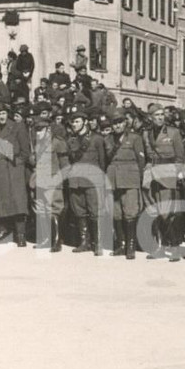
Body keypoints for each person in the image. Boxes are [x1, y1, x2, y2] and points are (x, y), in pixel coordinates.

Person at [142, 103, 185, 259]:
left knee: (167, 213)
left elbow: (180, 156)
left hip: (167, 174)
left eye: (162, 115)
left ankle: (174, 247)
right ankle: (159, 247)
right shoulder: (146, 134)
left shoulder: (173, 133)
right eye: (156, 115)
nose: (160, 118)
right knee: (154, 212)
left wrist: (177, 173)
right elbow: (146, 155)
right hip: (151, 175)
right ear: (150, 117)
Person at [0, 102, 31, 247]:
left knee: (18, 201)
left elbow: (25, 152)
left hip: (13, 168)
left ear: (8, 114)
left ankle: (21, 234)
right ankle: (3, 231)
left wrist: (16, 162)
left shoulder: (18, 127)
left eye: (4, 113)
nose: (1, 117)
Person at [65, 104, 107, 255]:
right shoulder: (71, 140)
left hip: (92, 181)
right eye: (73, 122)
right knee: (79, 212)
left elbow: (102, 162)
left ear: (85, 121)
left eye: (77, 121)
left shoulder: (96, 139)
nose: (74, 124)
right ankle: (84, 242)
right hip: (76, 180)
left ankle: (98, 242)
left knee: (95, 211)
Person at [105, 108, 146, 260]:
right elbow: (107, 158)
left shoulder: (135, 138)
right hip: (113, 177)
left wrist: (139, 179)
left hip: (130, 178)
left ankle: (131, 246)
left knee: (130, 212)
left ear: (125, 123)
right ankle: (121, 244)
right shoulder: (108, 139)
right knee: (116, 212)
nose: (117, 126)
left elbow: (141, 160)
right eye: (114, 123)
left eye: (120, 122)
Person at [30, 114, 69, 252]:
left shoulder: (58, 142)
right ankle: (46, 239)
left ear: (48, 129)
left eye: (41, 129)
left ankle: (57, 240)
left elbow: (65, 165)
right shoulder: (37, 144)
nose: (38, 132)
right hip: (41, 180)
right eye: (37, 129)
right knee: (42, 210)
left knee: (54, 210)